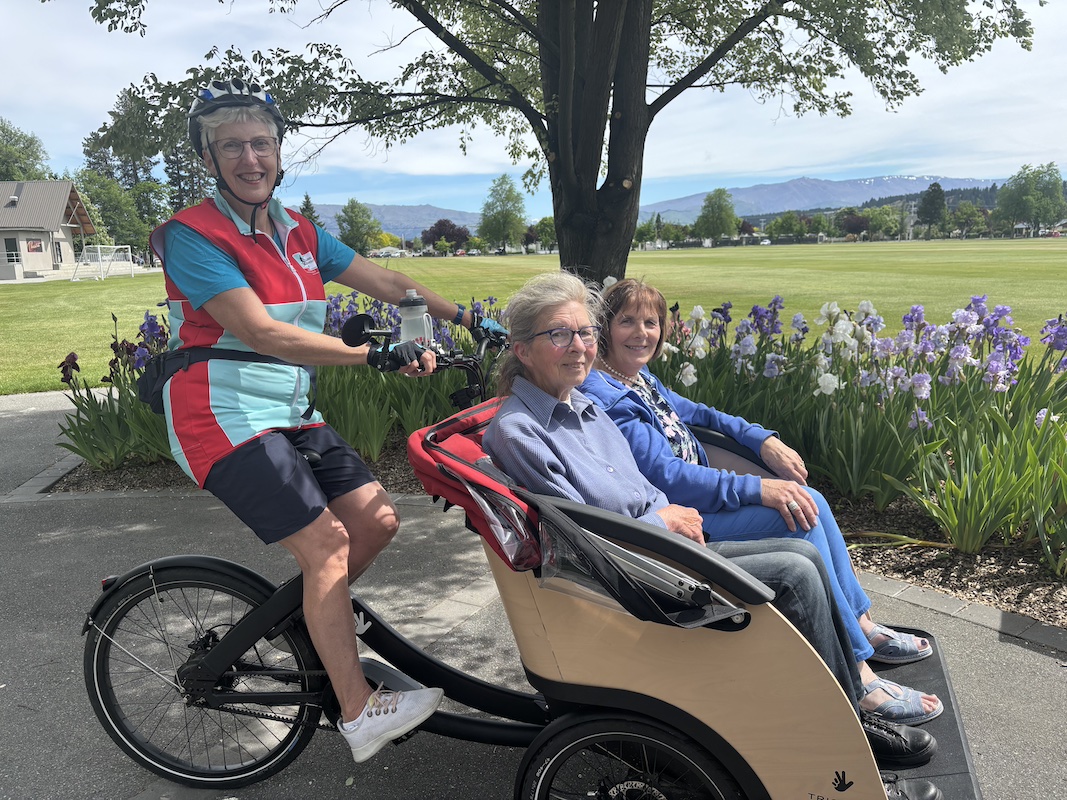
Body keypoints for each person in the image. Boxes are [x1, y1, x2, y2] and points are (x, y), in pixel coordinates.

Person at [482, 272, 942, 799]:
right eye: (560, 335)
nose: (580, 346)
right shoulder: (520, 431)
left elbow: (641, 477)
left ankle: (849, 708)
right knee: (794, 569)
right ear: (521, 348)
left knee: (802, 555)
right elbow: (580, 534)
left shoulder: (577, 401)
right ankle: (849, 750)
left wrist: (682, 504)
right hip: (643, 567)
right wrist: (662, 522)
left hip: (667, 541)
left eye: (585, 332)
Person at [150, 78, 502, 764]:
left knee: (374, 522)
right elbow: (265, 334)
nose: (249, 158)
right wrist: (374, 353)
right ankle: (357, 711)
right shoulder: (190, 235)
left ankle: (315, 625)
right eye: (231, 147)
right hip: (219, 413)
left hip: (287, 409)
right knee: (326, 547)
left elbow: (391, 284)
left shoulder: (299, 232)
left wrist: (470, 319)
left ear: (279, 150)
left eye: (260, 143)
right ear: (208, 158)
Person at [580, 278, 942, 726]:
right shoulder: (609, 394)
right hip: (688, 521)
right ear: (603, 329)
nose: (642, 332)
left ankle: (861, 625)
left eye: (651, 322)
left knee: (811, 500)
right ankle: (860, 675)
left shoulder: (638, 378)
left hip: (707, 500)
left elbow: (705, 415)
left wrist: (762, 439)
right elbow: (667, 476)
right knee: (800, 518)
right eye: (627, 321)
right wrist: (758, 488)